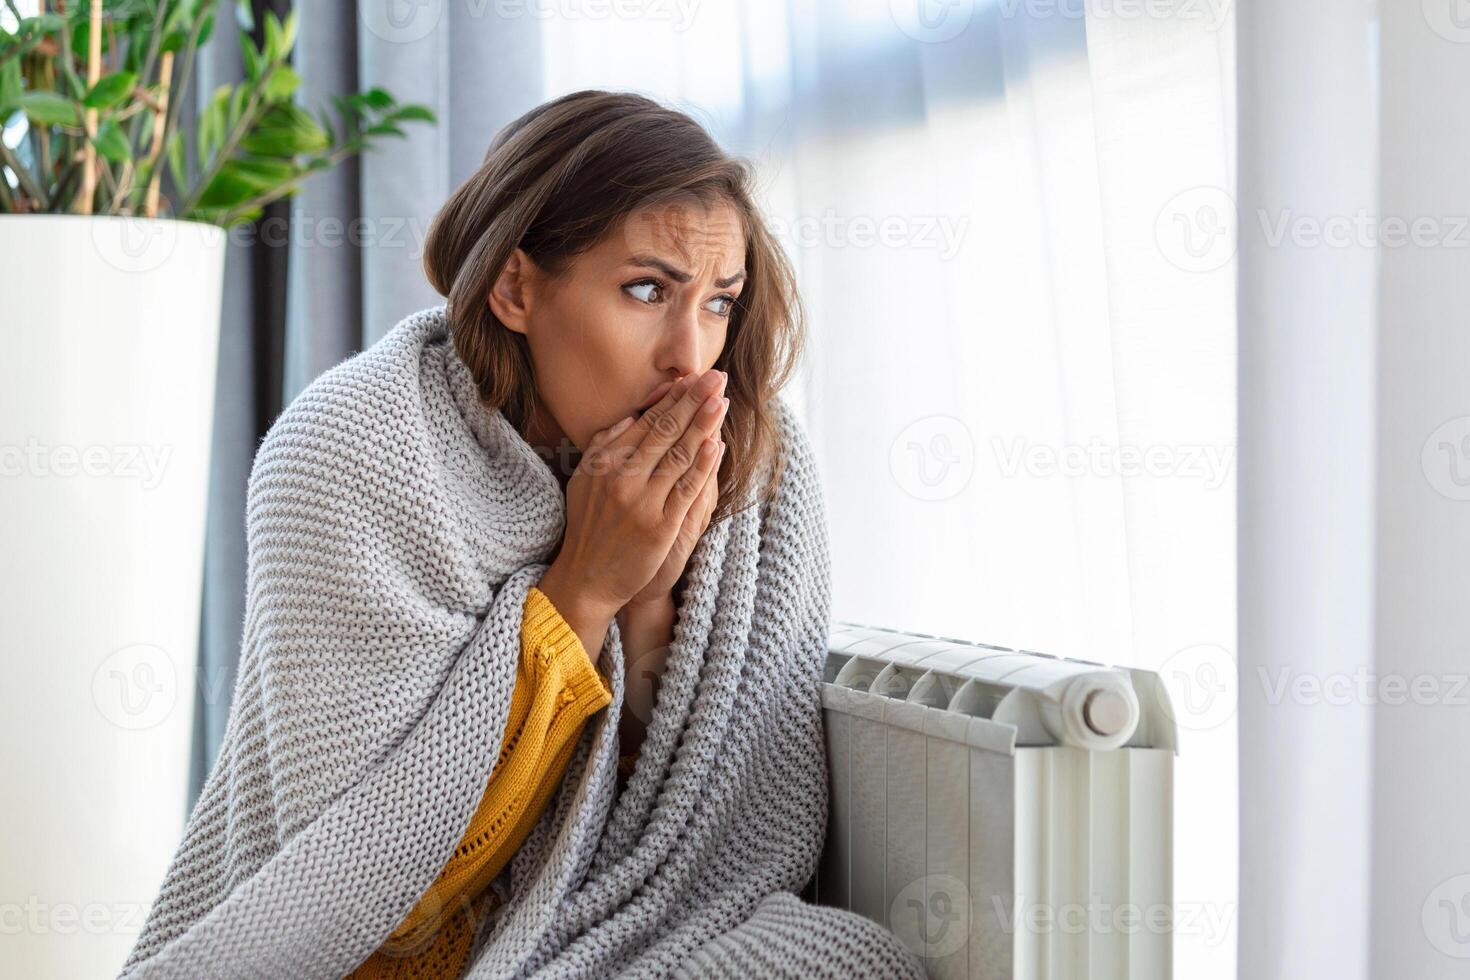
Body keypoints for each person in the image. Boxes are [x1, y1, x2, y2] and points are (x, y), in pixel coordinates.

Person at [120, 89, 926, 980]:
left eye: (719, 303)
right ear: (515, 286)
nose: (691, 359)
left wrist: (651, 599)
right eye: (647, 289)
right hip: (386, 959)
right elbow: (374, 898)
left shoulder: (752, 467)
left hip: (609, 929)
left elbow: (704, 850)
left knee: (850, 958)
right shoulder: (349, 447)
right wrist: (583, 587)